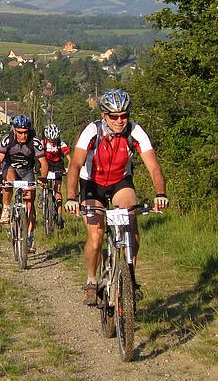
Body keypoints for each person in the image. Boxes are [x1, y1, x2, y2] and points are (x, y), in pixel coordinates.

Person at [64, 88, 168, 306]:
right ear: (104, 116)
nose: (120, 121)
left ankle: (130, 278)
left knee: (130, 222)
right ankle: (92, 281)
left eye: (124, 115)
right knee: (96, 234)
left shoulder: (135, 132)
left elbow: (154, 168)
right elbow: (74, 165)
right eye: (114, 116)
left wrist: (160, 194)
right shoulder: (92, 131)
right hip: (91, 182)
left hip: (120, 181)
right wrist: (71, 197)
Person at [0, 115, 49, 254]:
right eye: (20, 132)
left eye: (25, 132)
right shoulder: (7, 140)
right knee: (9, 180)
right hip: (10, 167)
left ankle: (30, 236)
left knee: (30, 203)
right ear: (14, 130)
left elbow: (43, 163)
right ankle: (6, 208)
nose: (23, 135)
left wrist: (43, 177)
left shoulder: (35, 142)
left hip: (27, 170)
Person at [41, 124, 71, 229]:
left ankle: (59, 215)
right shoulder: (43, 143)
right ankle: (43, 195)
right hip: (46, 166)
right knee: (43, 182)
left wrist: (71, 167)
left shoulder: (60, 143)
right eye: (50, 140)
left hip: (58, 166)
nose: (52, 142)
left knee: (57, 190)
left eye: (54, 140)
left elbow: (68, 156)